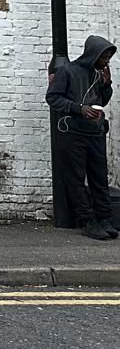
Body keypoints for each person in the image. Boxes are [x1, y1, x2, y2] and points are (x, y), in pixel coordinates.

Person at [46, 35, 115, 241]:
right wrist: (79, 109)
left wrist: (106, 84)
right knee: (76, 178)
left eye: (109, 58)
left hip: (95, 132)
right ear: (93, 53)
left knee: (99, 177)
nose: (106, 61)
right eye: (104, 57)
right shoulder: (67, 71)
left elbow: (102, 100)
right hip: (73, 133)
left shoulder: (97, 73)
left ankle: (104, 218)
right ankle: (87, 221)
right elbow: (53, 97)